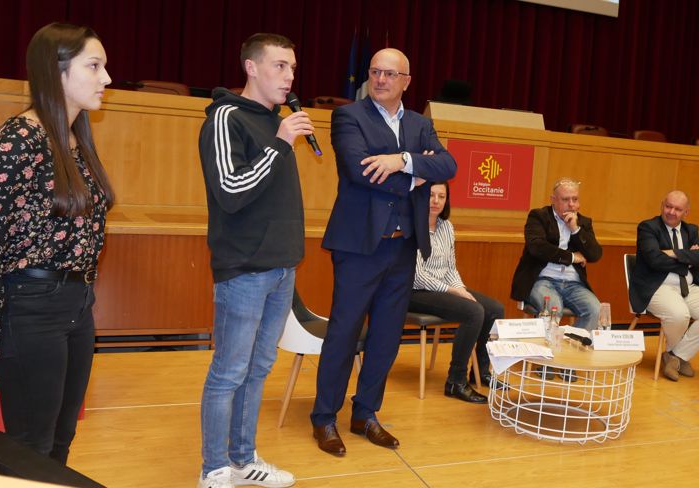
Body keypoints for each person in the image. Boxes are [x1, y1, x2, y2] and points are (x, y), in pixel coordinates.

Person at [0, 22, 113, 464]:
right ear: (55, 71)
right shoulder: (17, 141)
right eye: (94, 66)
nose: (107, 78)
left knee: (59, 441)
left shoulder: (76, 140)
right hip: (30, 306)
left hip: (76, 305)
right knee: (30, 447)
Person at [311, 48, 457, 456]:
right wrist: (414, 176)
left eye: (390, 74)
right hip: (359, 246)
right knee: (343, 334)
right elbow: (360, 171)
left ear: (407, 81)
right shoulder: (349, 116)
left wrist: (400, 160)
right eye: (375, 72)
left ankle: (365, 414)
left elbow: (447, 166)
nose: (380, 80)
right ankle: (324, 418)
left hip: (403, 247)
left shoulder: (420, 124)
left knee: (387, 337)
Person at [196, 33, 312, 488]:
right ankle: (213, 469)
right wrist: (281, 144)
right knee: (228, 371)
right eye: (280, 66)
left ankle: (244, 459)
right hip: (244, 270)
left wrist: (280, 138)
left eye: (292, 69)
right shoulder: (226, 118)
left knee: (259, 367)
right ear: (251, 67)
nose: (289, 77)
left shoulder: (274, 121)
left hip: (282, 268)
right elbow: (230, 191)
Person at [409, 182, 505, 403]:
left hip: (444, 288)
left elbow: (451, 268)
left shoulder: (446, 227)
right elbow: (417, 275)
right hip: (414, 292)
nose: (435, 201)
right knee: (473, 312)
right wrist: (452, 290)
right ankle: (455, 381)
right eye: (431, 195)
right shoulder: (411, 226)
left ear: (446, 200)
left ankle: (480, 372)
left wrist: (460, 289)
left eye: (441, 197)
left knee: (494, 309)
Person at [628, 191, 699, 381]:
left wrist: (673, 253)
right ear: (661, 205)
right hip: (657, 287)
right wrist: (688, 257)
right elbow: (654, 260)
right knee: (680, 314)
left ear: (686, 212)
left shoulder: (691, 231)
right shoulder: (648, 227)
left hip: (687, 286)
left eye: (678, 209)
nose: (671, 212)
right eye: (668, 206)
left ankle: (676, 356)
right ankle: (678, 356)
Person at [510, 178, 603, 329]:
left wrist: (575, 229)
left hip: (573, 283)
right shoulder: (538, 216)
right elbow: (537, 247)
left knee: (595, 310)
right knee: (554, 309)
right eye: (566, 199)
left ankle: (574, 348)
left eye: (575, 199)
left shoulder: (583, 222)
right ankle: (549, 351)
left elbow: (595, 255)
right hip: (541, 280)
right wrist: (572, 257)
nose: (571, 204)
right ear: (553, 200)